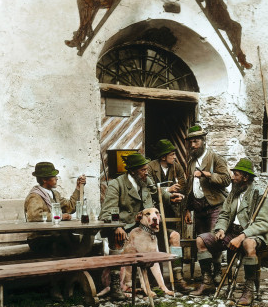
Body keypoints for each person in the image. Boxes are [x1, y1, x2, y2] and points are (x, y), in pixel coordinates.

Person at [99, 152, 189, 299]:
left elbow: (157, 193)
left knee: (174, 236)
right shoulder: (117, 184)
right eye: (143, 170)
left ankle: (177, 276)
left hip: (148, 229)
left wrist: (171, 197)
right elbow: (106, 212)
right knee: (116, 238)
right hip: (127, 228)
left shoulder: (146, 180)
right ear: (132, 171)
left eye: (146, 169)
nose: (146, 172)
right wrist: (117, 226)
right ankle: (116, 285)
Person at [189, 158, 268, 306]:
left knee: (248, 244)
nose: (232, 177)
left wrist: (242, 236)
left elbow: (264, 224)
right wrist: (221, 229)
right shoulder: (233, 193)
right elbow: (224, 214)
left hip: (254, 235)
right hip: (232, 233)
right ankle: (207, 281)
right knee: (201, 240)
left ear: (245, 177)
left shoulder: (259, 196)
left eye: (236, 174)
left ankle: (248, 290)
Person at [24, 161, 86, 301]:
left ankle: (67, 283)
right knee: (64, 243)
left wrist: (78, 188)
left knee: (72, 240)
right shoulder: (35, 196)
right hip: (38, 238)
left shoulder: (54, 194)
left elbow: (70, 206)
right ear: (45, 180)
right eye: (54, 177)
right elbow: (34, 217)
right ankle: (56, 286)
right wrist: (59, 216)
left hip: (55, 235)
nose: (57, 179)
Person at [183, 124, 231, 284]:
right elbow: (190, 187)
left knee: (214, 239)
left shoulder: (215, 158)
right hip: (198, 208)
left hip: (215, 207)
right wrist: (188, 209)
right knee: (201, 241)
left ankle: (217, 271)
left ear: (204, 141)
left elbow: (226, 179)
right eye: (190, 142)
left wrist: (206, 174)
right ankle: (206, 275)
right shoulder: (191, 162)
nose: (192, 145)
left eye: (195, 141)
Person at [147, 139, 193, 292]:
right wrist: (168, 190)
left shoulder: (176, 167)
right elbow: (150, 190)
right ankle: (154, 279)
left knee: (174, 238)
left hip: (172, 211)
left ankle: (178, 277)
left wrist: (179, 194)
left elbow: (183, 185)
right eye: (172, 154)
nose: (175, 157)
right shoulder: (150, 167)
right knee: (155, 242)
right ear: (163, 157)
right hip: (154, 212)